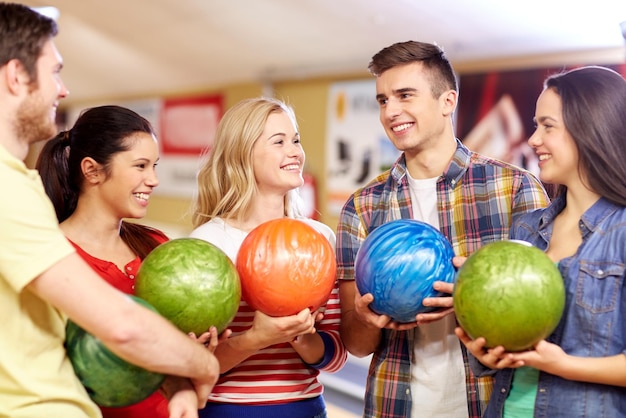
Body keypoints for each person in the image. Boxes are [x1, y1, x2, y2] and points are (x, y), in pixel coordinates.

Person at [0, 4, 219, 417]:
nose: (62, 90)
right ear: (17, 76)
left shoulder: (20, 184)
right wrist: (202, 366)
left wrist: (177, 379)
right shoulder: (5, 188)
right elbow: (122, 326)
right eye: (55, 71)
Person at [335, 40, 550, 418]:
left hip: (490, 403)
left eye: (405, 95)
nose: (391, 111)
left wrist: (476, 295)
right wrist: (367, 318)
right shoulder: (363, 206)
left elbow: (546, 317)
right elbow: (356, 343)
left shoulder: (514, 188)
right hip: (395, 405)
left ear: (447, 101)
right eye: (383, 100)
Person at [456, 66, 626, 417]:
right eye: (536, 126)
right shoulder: (527, 229)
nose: (533, 139)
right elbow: (511, 344)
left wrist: (564, 365)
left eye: (547, 126)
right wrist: (488, 351)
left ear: (591, 129)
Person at [36, 104, 222, 418]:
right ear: (92, 170)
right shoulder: (53, 257)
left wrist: (191, 353)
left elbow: (176, 370)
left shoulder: (156, 247)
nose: (153, 180)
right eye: (140, 166)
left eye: (155, 166)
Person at [189, 97, 347, 418]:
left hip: (305, 409)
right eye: (279, 142)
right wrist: (256, 339)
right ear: (243, 154)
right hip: (226, 412)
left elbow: (336, 355)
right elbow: (192, 364)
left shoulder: (319, 238)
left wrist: (303, 338)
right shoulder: (208, 243)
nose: (295, 152)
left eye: (296, 140)